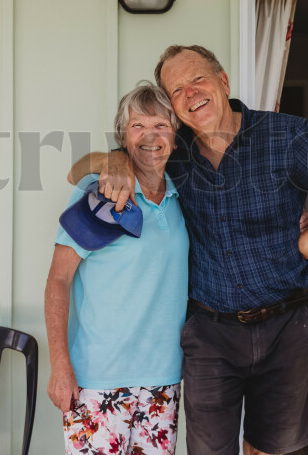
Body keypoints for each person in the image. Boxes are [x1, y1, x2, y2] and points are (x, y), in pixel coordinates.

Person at [69, 45, 308, 455]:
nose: (190, 93)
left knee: (273, 449)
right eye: (177, 89)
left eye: (197, 79)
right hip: (209, 332)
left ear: (223, 81)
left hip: (285, 326)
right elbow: (78, 170)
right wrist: (112, 159)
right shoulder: (172, 151)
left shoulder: (285, 136)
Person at [44, 81, 189, 455]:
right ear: (123, 136)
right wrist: (60, 363)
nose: (150, 136)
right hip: (97, 377)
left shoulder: (182, 197)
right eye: (138, 126)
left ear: (176, 134)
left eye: (161, 124)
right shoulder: (101, 194)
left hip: (163, 378)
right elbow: (59, 279)